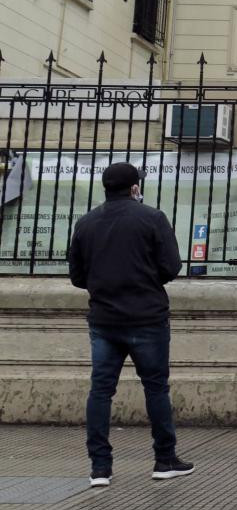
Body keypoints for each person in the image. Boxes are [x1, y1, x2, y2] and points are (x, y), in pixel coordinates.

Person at [67, 161, 190, 487]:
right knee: (156, 388)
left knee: (101, 391)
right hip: (147, 317)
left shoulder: (86, 223)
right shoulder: (152, 218)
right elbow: (172, 266)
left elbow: (78, 276)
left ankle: (99, 467)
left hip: (104, 320)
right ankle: (164, 459)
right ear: (135, 187)